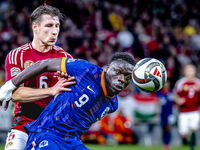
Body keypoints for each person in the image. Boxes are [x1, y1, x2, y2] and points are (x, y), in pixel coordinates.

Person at [0, 52, 136, 150]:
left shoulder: (113, 104)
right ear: (107, 69)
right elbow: (45, 64)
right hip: (47, 133)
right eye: (118, 72)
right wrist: (10, 85)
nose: (122, 79)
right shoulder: (86, 69)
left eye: (127, 76)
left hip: (72, 141)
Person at [2, 5, 75, 150]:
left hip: (53, 129)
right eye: (49, 26)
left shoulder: (65, 58)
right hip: (23, 126)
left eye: (57, 26)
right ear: (35, 27)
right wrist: (51, 90)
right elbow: (16, 94)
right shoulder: (18, 55)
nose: (55, 31)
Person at [173, 64, 200, 150]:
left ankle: (192, 146)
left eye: (191, 70)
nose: (190, 72)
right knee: (184, 134)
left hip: (195, 110)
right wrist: (178, 100)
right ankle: (189, 140)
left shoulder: (198, 83)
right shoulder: (180, 83)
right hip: (183, 112)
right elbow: (175, 95)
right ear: (184, 72)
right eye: (188, 70)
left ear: (194, 72)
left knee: (193, 128)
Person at [156, 80, 175, 150]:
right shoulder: (159, 93)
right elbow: (156, 102)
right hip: (162, 113)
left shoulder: (172, 92)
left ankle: (168, 144)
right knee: (163, 128)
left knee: (168, 128)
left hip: (170, 113)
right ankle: (165, 144)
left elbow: (176, 101)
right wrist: (156, 110)